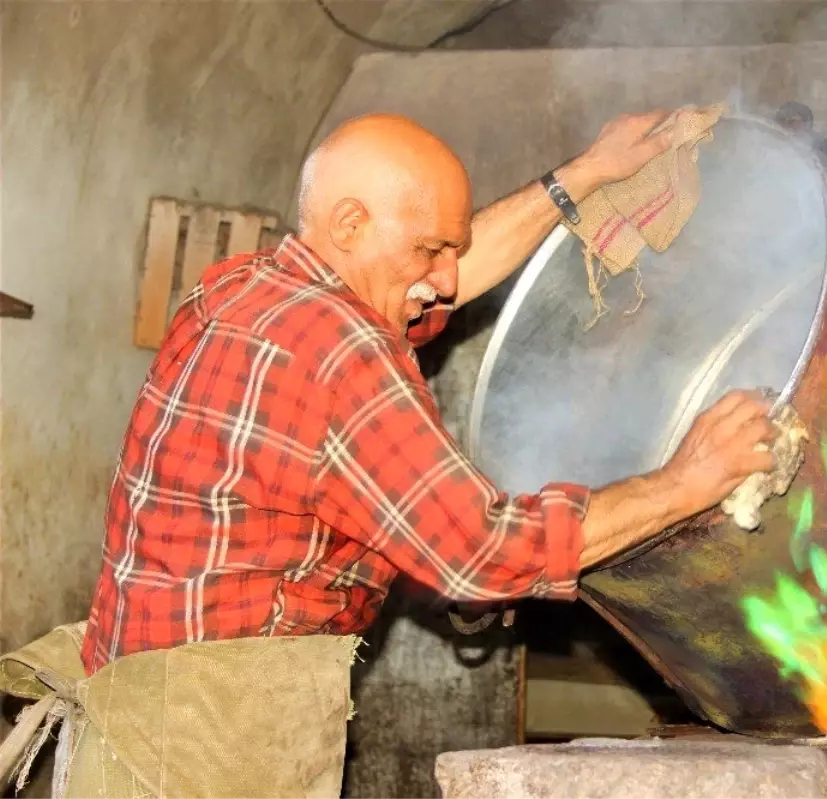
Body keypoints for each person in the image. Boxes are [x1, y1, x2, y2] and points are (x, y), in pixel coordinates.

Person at [0, 110, 777, 797]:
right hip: (207, 749)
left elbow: (436, 286)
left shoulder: (246, 286)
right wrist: (691, 479)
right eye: (429, 248)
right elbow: (481, 551)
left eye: (452, 248)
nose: (443, 280)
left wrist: (583, 176)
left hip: (146, 720)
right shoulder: (337, 351)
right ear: (348, 225)